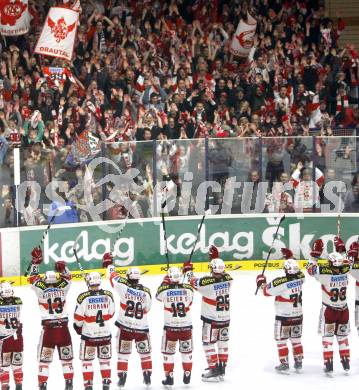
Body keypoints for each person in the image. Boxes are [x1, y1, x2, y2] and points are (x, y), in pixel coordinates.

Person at [183, 245, 232, 381]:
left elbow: (193, 282)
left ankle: (213, 369)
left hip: (211, 320)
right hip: (225, 318)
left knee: (208, 343)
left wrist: (188, 270)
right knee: (223, 344)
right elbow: (219, 273)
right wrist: (215, 259)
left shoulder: (206, 283)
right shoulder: (229, 279)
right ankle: (222, 368)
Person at [103, 253, 152, 389]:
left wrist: (109, 264)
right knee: (145, 354)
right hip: (141, 328)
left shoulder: (122, 286)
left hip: (125, 328)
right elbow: (147, 309)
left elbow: (112, 276)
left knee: (123, 355)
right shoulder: (147, 292)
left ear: (129, 277)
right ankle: (147, 376)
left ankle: (122, 378)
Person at [29, 247, 74, 390]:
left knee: (44, 361)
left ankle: (42, 385)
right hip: (63, 329)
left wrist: (35, 262)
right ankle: (69, 384)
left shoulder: (41, 289)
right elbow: (68, 277)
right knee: (66, 360)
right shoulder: (63, 286)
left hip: (49, 330)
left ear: (45, 280)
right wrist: (63, 268)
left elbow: (33, 278)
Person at [256, 248, 305, 374]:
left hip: (284, 316)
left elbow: (266, 292)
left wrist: (261, 282)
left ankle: (284, 363)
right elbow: (297, 270)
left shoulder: (280, 283)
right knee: (296, 339)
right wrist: (290, 257)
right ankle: (298, 361)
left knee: (281, 340)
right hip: (298, 315)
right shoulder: (301, 277)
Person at [306, 238, 350, 375]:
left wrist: (315, 255)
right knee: (342, 337)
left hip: (329, 310)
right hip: (344, 310)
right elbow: (347, 260)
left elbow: (310, 269)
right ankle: (346, 362)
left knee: (328, 337)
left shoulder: (324, 273)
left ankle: (329, 363)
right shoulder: (346, 270)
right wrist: (341, 249)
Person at [74, 272, 115, 390]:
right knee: (105, 361)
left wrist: (78, 327)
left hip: (89, 336)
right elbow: (111, 313)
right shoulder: (108, 295)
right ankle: (106, 383)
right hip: (105, 334)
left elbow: (78, 318)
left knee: (87, 361)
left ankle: (88, 385)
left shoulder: (83, 297)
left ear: (88, 282)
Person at [156, 266, 194, 387]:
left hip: (171, 328)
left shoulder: (164, 289)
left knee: (168, 353)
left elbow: (157, 296)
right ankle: (187, 373)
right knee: (186, 352)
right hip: (186, 327)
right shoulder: (189, 289)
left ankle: (169, 377)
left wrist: (165, 281)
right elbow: (191, 301)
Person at [0, 282, 23, 390]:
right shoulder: (19, 301)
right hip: (17, 338)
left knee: (3, 367)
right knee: (17, 365)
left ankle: (5, 386)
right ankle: (19, 385)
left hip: (4, 340)